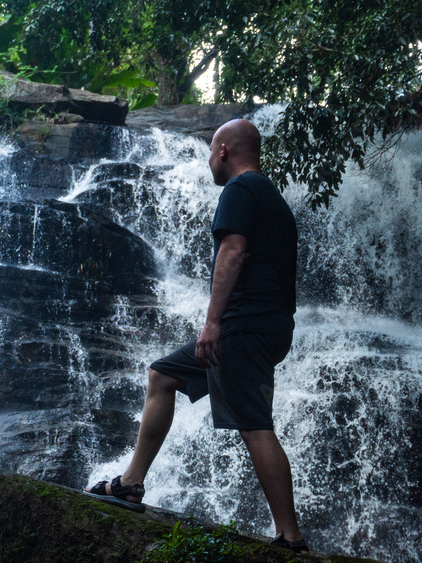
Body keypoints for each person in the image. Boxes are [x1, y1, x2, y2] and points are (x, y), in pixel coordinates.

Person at [85, 118, 309, 554]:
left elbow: (233, 251)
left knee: (255, 425)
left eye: (210, 151)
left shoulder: (241, 191)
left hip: (243, 325)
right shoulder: (275, 200)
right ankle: (131, 483)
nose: (209, 160)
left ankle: (291, 538)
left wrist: (213, 323)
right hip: (268, 324)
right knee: (163, 375)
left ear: (224, 150)